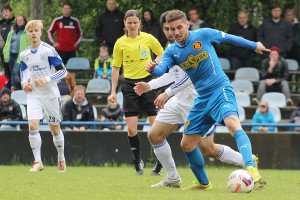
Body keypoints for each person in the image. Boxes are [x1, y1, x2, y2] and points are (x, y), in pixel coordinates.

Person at [147, 10, 269, 190]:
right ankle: (203, 184)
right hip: (201, 98)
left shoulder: (203, 35)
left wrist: (254, 45)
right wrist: (152, 69)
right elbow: (162, 69)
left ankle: (250, 165)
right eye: (171, 29)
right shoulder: (172, 51)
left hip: (220, 89)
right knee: (187, 144)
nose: (176, 32)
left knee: (233, 124)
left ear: (187, 24)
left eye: (179, 27)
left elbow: (229, 38)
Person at [108, 9, 164, 176]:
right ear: (125, 24)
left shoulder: (148, 38)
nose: (132, 25)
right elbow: (116, 68)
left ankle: (160, 162)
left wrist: (154, 63)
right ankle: (138, 160)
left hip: (148, 84)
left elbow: (161, 53)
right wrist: (112, 91)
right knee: (132, 130)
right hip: (129, 87)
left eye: (135, 22)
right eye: (129, 22)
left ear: (139, 22)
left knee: (155, 129)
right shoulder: (120, 43)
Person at [20, 20, 67, 172]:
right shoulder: (24, 54)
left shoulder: (48, 50)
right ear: (27, 34)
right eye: (30, 31)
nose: (33, 33)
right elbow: (24, 72)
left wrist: (47, 79)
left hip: (50, 95)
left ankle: (60, 158)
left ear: (40, 32)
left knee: (55, 130)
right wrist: (24, 84)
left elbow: (63, 71)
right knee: (32, 125)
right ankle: (38, 162)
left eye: (36, 31)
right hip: (34, 94)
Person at [3, 15, 29, 92]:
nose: (19, 21)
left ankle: (14, 88)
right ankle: (16, 89)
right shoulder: (12, 32)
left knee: (15, 71)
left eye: (21, 20)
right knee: (12, 73)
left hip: (20, 55)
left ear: (24, 21)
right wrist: (5, 52)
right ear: (16, 22)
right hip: (11, 54)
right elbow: (7, 43)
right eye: (18, 20)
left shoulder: (26, 32)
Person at [0, 5, 15, 89]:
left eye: (6, 11)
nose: (5, 13)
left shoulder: (16, 21)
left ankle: (16, 87)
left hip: (14, 51)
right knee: (7, 71)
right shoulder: (1, 24)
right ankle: (7, 89)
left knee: (15, 71)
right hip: (3, 52)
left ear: (11, 12)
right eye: (3, 12)